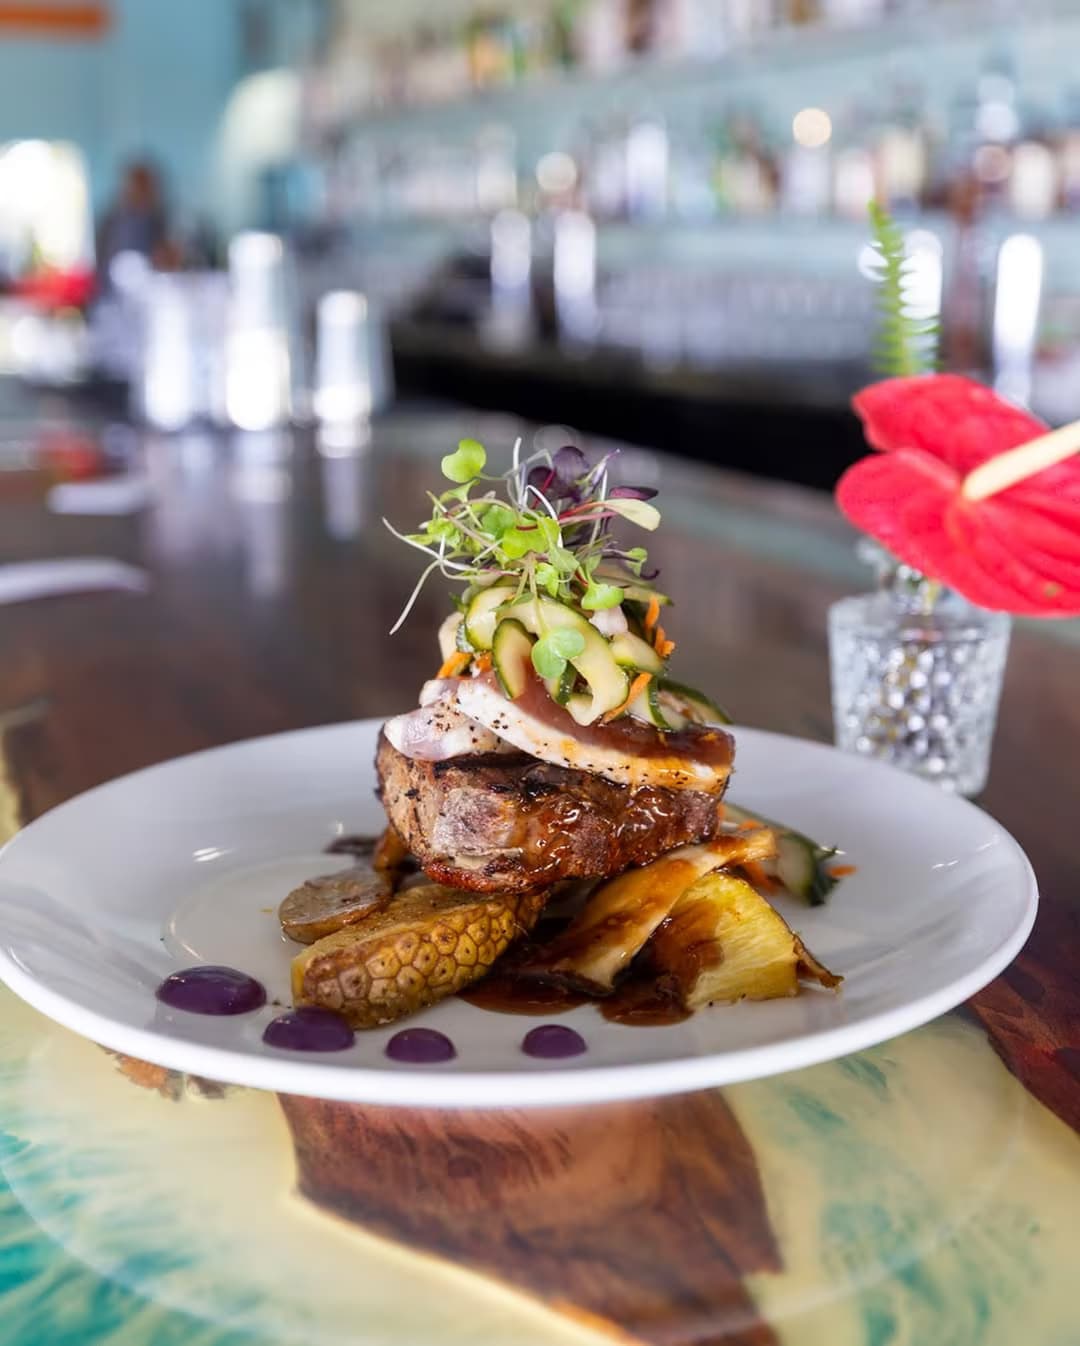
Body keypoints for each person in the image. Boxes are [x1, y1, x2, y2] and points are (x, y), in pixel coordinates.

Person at [96, 159, 173, 281]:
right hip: (113, 290)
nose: (141, 191)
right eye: (137, 185)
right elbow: (102, 258)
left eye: (146, 186)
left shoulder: (158, 220)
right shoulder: (112, 221)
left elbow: (165, 258)